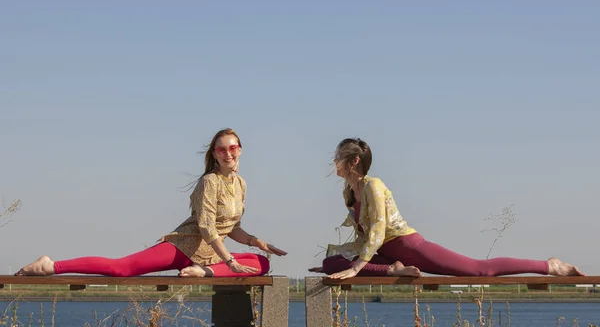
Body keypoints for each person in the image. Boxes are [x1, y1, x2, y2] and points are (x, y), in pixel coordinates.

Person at [16, 128, 287, 278]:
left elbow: (233, 228)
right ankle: (51, 266)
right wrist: (229, 262)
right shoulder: (209, 182)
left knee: (261, 264)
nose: (228, 153)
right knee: (122, 268)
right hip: (185, 246)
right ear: (214, 155)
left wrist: (256, 242)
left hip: (211, 257)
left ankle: (203, 272)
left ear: (240, 149)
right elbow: (207, 229)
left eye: (233, 147)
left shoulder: (240, 185)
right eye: (221, 149)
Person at [310, 138, 584, 280]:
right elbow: (362, 238)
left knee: (479, 270)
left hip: (407, 247)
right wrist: (347, 259)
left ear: (354, 161)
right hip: (384, 254)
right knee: (328, 263)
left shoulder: (374, 185)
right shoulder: (349, 191)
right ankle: (394, 270)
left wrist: (357, 267)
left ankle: (549, 266)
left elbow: (378, 231)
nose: (334, 162)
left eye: (338, 158)